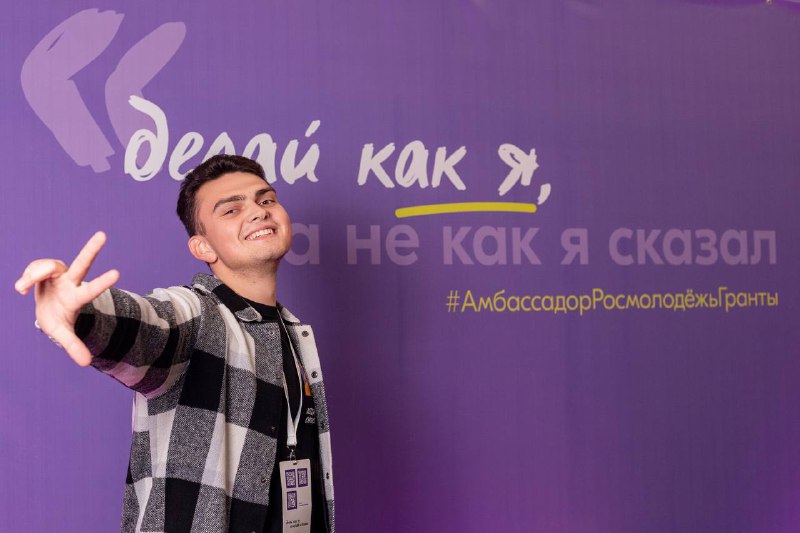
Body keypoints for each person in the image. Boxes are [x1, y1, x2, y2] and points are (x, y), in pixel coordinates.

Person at [14, 155, 334, 533]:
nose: (258, 211)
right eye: (231, 209)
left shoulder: (295, 335)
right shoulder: (196, 314)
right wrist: (80, 314)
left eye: (266, 200)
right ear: (203, 248)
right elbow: (148, 325)